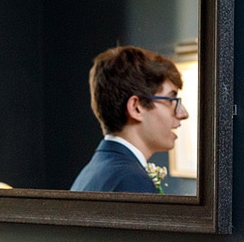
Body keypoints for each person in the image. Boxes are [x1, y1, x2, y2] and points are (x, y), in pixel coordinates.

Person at [70, 46, 190, 194]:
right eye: (171, 99)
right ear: (136, 107)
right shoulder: (132, 181)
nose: (183, 113)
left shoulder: (92, 172)